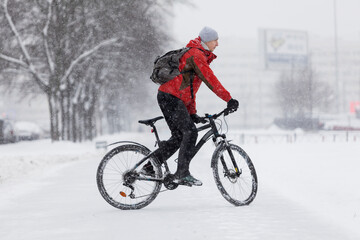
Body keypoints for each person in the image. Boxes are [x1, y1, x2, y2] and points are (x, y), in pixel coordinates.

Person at [142, 26, 239, 186]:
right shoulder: (195, 54)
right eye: (215, 40)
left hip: (170, 96)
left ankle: (150, 166)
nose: (217, 44)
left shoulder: (196, 54)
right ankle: (182, 173)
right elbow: (210, 80)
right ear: (207, 41)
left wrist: (192, 113)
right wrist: (229, 99)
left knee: (179, 137)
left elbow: (189, 89)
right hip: (170, 97)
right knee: (190, 132)